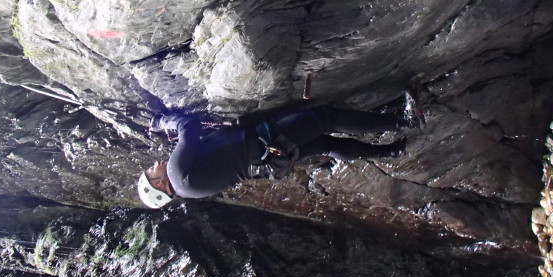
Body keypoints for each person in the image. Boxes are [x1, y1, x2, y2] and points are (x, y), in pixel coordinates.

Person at [138, 97, 425, 208]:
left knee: (326, 144)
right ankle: (401, 120)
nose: (153, 164)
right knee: (324, 116)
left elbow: (208, 151)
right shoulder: (177, 174)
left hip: (270, 161)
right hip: (268, 142)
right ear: (159, 185)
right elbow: (190, 126)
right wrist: (162, 120)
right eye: (150, 172)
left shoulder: (189, 189)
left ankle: (391, 151)